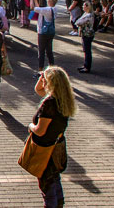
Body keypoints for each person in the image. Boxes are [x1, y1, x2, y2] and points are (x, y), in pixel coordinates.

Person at [28, 67, 77, 208]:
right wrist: (42, 77)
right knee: (55, 180)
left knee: (47, 186)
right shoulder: (63, 98)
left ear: (51, 83)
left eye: (44, 79)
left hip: (46, 149)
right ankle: (59, 205)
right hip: (58, 146)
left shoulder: (50, 103)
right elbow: (38, 90)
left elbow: (40, 130)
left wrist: (31, 126)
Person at [33, 0, 58, 72]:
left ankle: (40, 69)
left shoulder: (47, 10)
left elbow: (36, 8)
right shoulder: (54, 9)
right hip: (50, 31)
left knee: (41, 51)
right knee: (49, 51)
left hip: (43, 32)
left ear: (50, 1)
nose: (47, 0)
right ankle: (52, 67)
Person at [74, 2, 96, 73]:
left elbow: (78, 22)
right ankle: (85, 65)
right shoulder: (86, 14)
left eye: (84, 6)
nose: (83, 7)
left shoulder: (88, 15)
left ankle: (87, 67)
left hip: (87, 34)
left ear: (87, 7)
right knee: (86, 50)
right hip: (86, 34)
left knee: (87, 50)